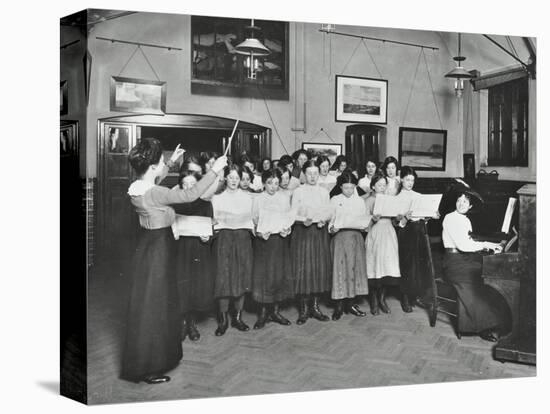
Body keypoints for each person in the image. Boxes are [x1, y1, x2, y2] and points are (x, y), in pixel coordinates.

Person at [122, 139, 227, 384]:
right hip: (159, 249)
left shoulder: (137, 187)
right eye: (160, 162)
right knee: (156, 307)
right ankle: (149, 368)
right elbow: (190, 194)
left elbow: (154, 181)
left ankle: (147, 362)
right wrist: (215, 170)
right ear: (152, 166)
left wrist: (168, 163)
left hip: (149, 247)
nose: (162, 165)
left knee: (151, 305)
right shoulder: (157, 193)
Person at [441, 189, 510, 342]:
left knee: (484, 274)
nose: (461, 204)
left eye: (465, 202)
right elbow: (464, 246)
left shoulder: (464, 219)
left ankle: (485, 321)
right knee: (477, 279)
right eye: (459, 200)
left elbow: (469, 241)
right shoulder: (450, 218)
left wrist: (490, 244)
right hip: (453, 262)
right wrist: (486, 245)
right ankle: (483, 325)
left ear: (470, 206)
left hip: (462, 259)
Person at [172, 168, 216, 342]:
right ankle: (183, 323)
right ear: (180, 186)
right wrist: (172, 232)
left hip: (199, 250)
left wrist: (207, 237)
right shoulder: (174, 204)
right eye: (185, 184)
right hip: (180, 250)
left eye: (193, 184)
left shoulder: (206, 204)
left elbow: (210, 230)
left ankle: (191, 323)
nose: (189, 187)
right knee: (181, 286)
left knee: (196, 287)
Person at [211, 164, 254, 336]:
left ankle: (238, 317)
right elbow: (214, 222)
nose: (234, 181)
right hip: (224, 239)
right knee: (224, 276)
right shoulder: (217, 198)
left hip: (243, 238)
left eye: (237, 178)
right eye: (231, 177)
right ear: (225, 178)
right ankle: (223, 320)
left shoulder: (248, 197)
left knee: (241, 275)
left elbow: (253, 220)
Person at [290, 159, 333, 324]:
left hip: (319, 233)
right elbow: (293, 214)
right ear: (304, 174)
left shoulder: (323, 192)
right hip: (303, 233)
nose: (313, 176)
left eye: (316, 173)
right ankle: (304, 309)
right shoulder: (298, 191)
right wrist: (302, 220)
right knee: (304, 270)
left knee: (317, 269)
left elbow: (328, 211)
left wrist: (324, 220)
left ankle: (315, 307)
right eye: (310, 173)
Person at [251, 168, 294, 329]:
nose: (273, 187)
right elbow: (253, 221)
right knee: (264, 275)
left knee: (278, 274)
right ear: (263, 183)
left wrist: (286, 230)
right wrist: (260, 233)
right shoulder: (258, 199)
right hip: (264, 243)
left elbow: (287, 218)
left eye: (276, 183)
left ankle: (275, 311)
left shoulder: (284, 198)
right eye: (270, 183)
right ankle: (263, 313)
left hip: (279, 241)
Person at [394, 166, 439, 313]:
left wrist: (431, 215)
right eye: (407, 180)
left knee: (421, 264)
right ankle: (406, 297)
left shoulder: (418, 195)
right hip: (406, 233)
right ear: (401, 179)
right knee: (408, 265)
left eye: (412, 180)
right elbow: (396, 223)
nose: (410, 183)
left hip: (420, 231)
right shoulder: (397, 198)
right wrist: (405, 217)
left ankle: (419, 296)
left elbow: (423, 217)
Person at [328, 171, 369, 320]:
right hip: (339, 238)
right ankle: (338, 305)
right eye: (346, 188)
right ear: (340, 187)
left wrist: (365, 227)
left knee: (354, 269)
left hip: (356, 238)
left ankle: (351, 303)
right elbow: (330, 222)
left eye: (352, 188)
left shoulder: (359, 201)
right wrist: (333, 228)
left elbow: (364, 220)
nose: (349, 191)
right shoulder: (334, 199)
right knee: (339, 269)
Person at [364, 172, 401, 315]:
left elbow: (394, 221)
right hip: (375, 234)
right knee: (374, 267)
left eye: (384, 185)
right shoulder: (368, 200)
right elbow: (363, 225)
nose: (382, 188)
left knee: (386, 268)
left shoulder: (389, 199)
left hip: (389, 233)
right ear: (373, 186)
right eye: (379, 185)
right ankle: (373, 301)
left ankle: (381, 299)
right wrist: (373, 219)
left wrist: (397, 218)